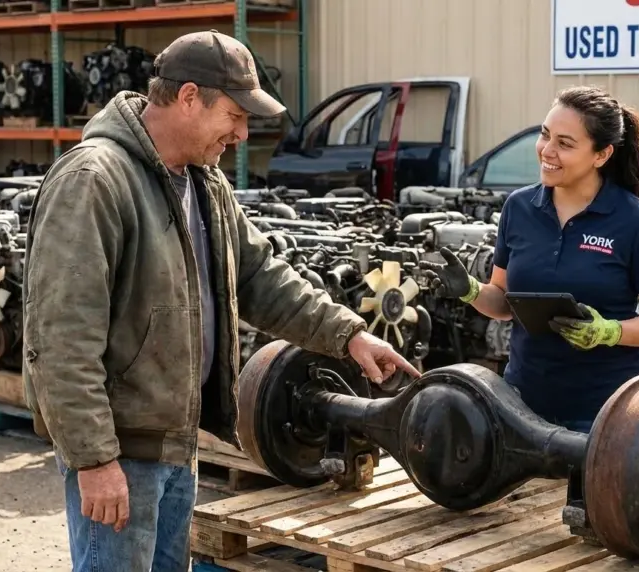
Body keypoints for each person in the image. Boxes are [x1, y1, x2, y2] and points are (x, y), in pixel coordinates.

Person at [21, 30, 420, 572]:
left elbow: (261, 277)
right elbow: (61, 337)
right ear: (188, 98)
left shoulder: (204, 184)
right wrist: (94, 460)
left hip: (174, 448)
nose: (241, 133)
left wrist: (348, 335)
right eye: (235, 115)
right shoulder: (95, 179)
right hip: (121, 453)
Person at [423, 85, 639, 433]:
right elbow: (503, 303)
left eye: (565, 143)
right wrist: (469, 290)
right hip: (522, 407)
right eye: (545, 135)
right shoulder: (519, 208)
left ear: (601, 155)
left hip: (606, 415)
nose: (548, 150)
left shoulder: (637, 223)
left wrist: (609, 331)